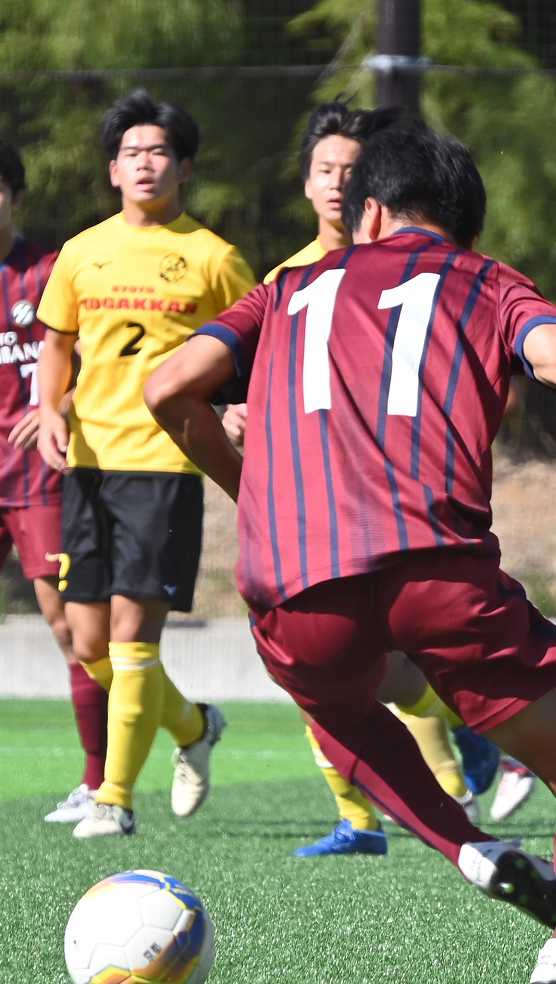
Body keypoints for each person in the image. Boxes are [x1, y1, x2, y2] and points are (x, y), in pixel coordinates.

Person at [145, 124, 556, 984]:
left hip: (292, 587)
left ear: (371, 214)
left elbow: (167, 388)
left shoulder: (285, 290)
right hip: (435, 568)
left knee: (343, 713)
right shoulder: (485, 282)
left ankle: (468, 850)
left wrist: (249, 493)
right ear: (459, 226)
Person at [224, 100, 500, 858]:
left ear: (374, 192)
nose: (337, 184)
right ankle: (372, 812)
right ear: (310, 185)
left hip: (389, 508)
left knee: (365, 663)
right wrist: (242, 427)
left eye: (351, 170)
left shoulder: (431, 280)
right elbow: (225, 388)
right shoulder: (287, 282)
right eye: (325, 170)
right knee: (343, 666)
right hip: (303, 514)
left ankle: (445, 786)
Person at [35, 89, 256, 839]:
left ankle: (115, 800)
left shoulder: (214, 257)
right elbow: (57, 344)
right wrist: (49, 408)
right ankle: (193, 725)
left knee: (133, 640)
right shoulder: (80, 251)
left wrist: (235, 402)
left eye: (159, 152)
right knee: (90, 646)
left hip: (166, 466)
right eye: (133, 153)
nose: (146, 164)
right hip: (90, 469)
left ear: (183, 167)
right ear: (112, 169)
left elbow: (250, 350)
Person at [0, 139, 109, 823]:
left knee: (68, 626)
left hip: (39, 473)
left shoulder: (46, 272)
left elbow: (94, 357)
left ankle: (98, 780)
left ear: (13, 194)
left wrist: (54, 410)